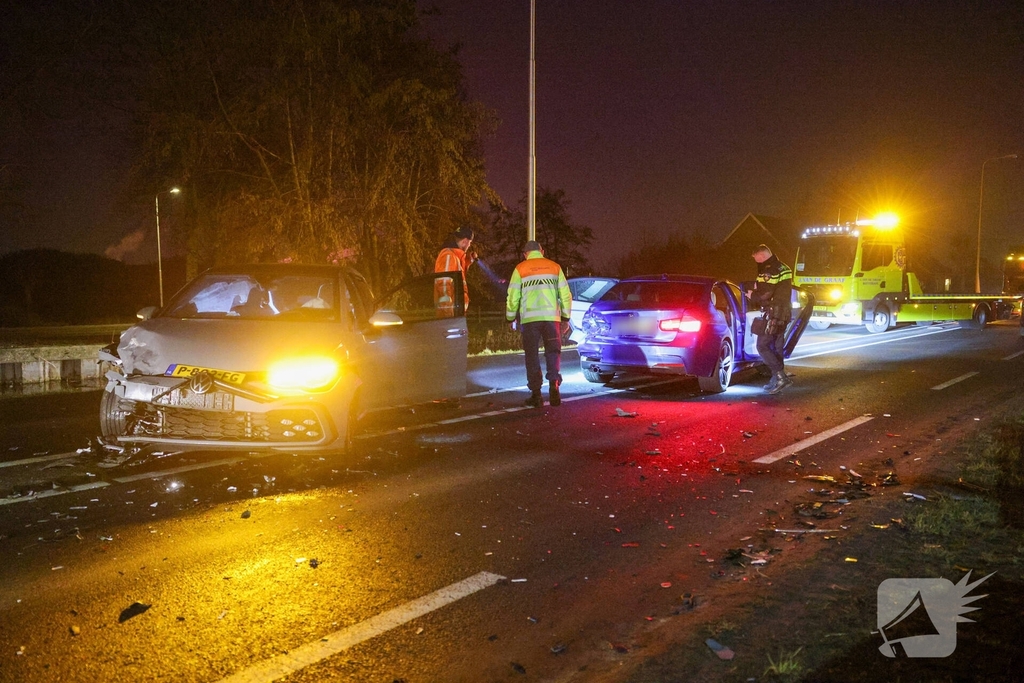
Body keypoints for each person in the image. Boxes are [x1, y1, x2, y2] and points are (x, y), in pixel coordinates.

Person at [506, 241, 572, 408]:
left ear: (525, 254)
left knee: (532, 356)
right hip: (551, 319)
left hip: (530, 320)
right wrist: (565, 317)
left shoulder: (520, 269)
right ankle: (554, 384)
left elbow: (513, 296)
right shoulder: (555, 267)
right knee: (553, 352)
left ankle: (536, 395)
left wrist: (510, 317)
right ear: (542, 251)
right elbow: (565, 294)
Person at [750, 244, 794, 394]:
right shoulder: (784, 267)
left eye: (756, 258)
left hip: (773, 313)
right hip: (785, 312)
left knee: (762, 346)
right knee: (776, 346)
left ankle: (781, 377)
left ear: (761, 256)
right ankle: (776, 380)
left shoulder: (769, 270)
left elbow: (765, 294)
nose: (756, 261)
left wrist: (752, 295)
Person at [434, 225, 476, 317]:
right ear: (465, 241)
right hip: (449, 317)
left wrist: (469, 260)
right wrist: (448, 316)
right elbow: (444, 285)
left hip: (456, 315)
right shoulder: (449, 256)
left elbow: (458, 276)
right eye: (470, 243)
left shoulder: (454, 256)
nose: (469, 245)